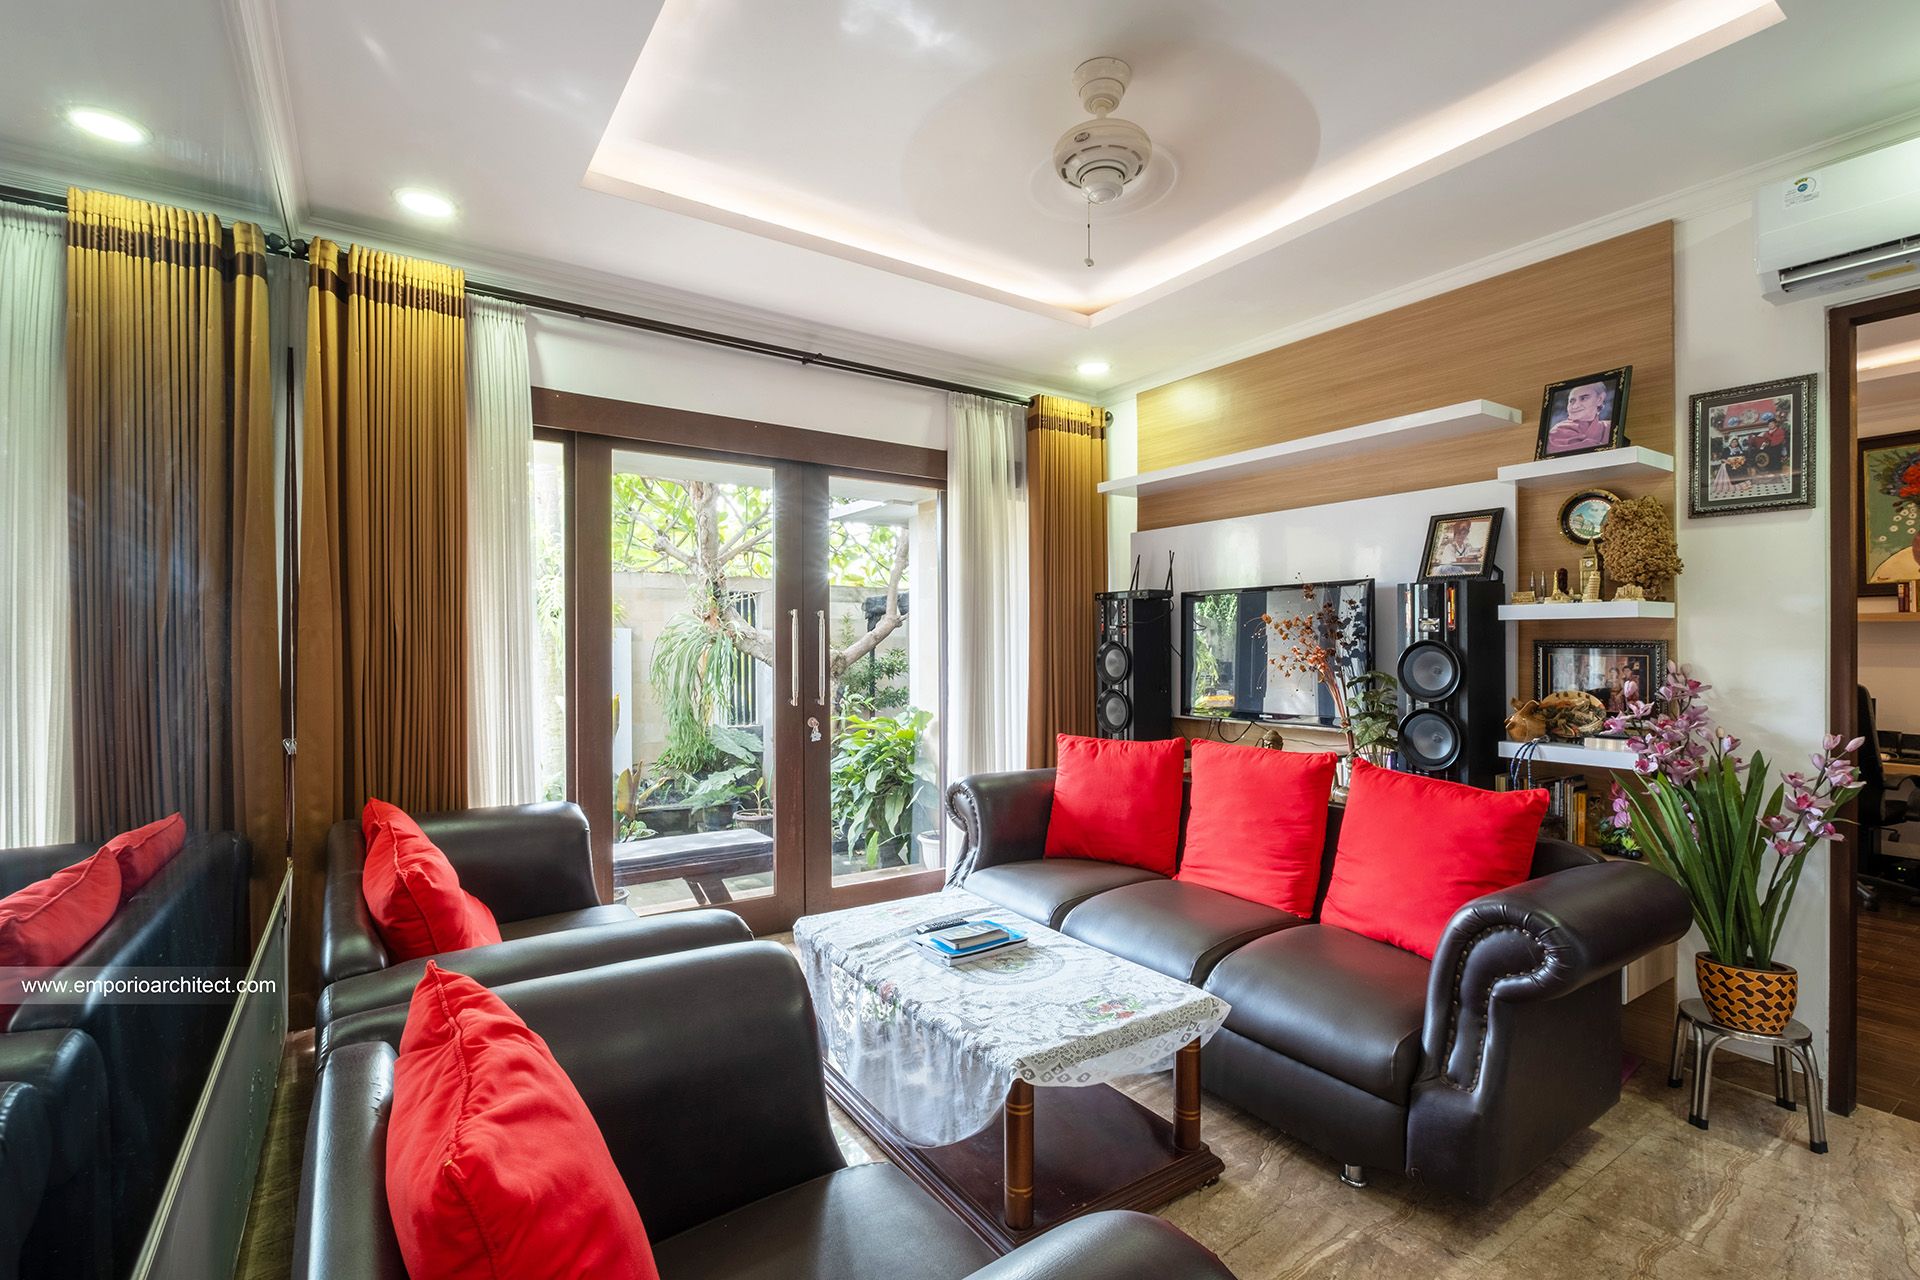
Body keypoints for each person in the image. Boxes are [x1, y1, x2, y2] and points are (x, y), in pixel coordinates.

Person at [1546, 380, 1614, 453]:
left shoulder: (1610, 427)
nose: (1575, 406)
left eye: (1583, 398)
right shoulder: (1557, 432)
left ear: (1599, 399)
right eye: (1571, 401)